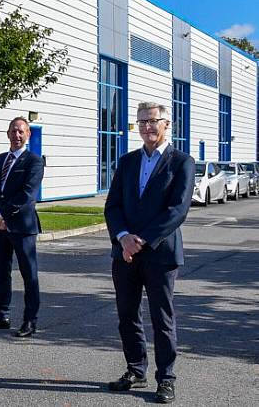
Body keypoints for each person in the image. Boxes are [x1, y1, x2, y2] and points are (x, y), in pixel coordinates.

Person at [104, 101, 193, 404]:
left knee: (162, 318)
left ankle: (166, 378)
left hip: (160, 254)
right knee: (127, 315)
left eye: (152, 121)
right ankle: (135, 369)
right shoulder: (127, 162)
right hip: (125, 255)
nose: (147, 127)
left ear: (166, 124)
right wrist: (123, 238)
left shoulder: (182, 162)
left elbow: (177, 210)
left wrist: (141, 239)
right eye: (141, 122)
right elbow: (113, 206)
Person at [0, 117, 45, 337]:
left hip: (22, 227)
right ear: (7, 133)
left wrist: (2, 213)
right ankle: (1, 314)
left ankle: (30, 320)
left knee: (29, 275)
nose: (17, 135)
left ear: (28, 135)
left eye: (21, 132)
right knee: (0, 272)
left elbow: (27, 194)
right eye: (13, 131)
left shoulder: (34, 161)